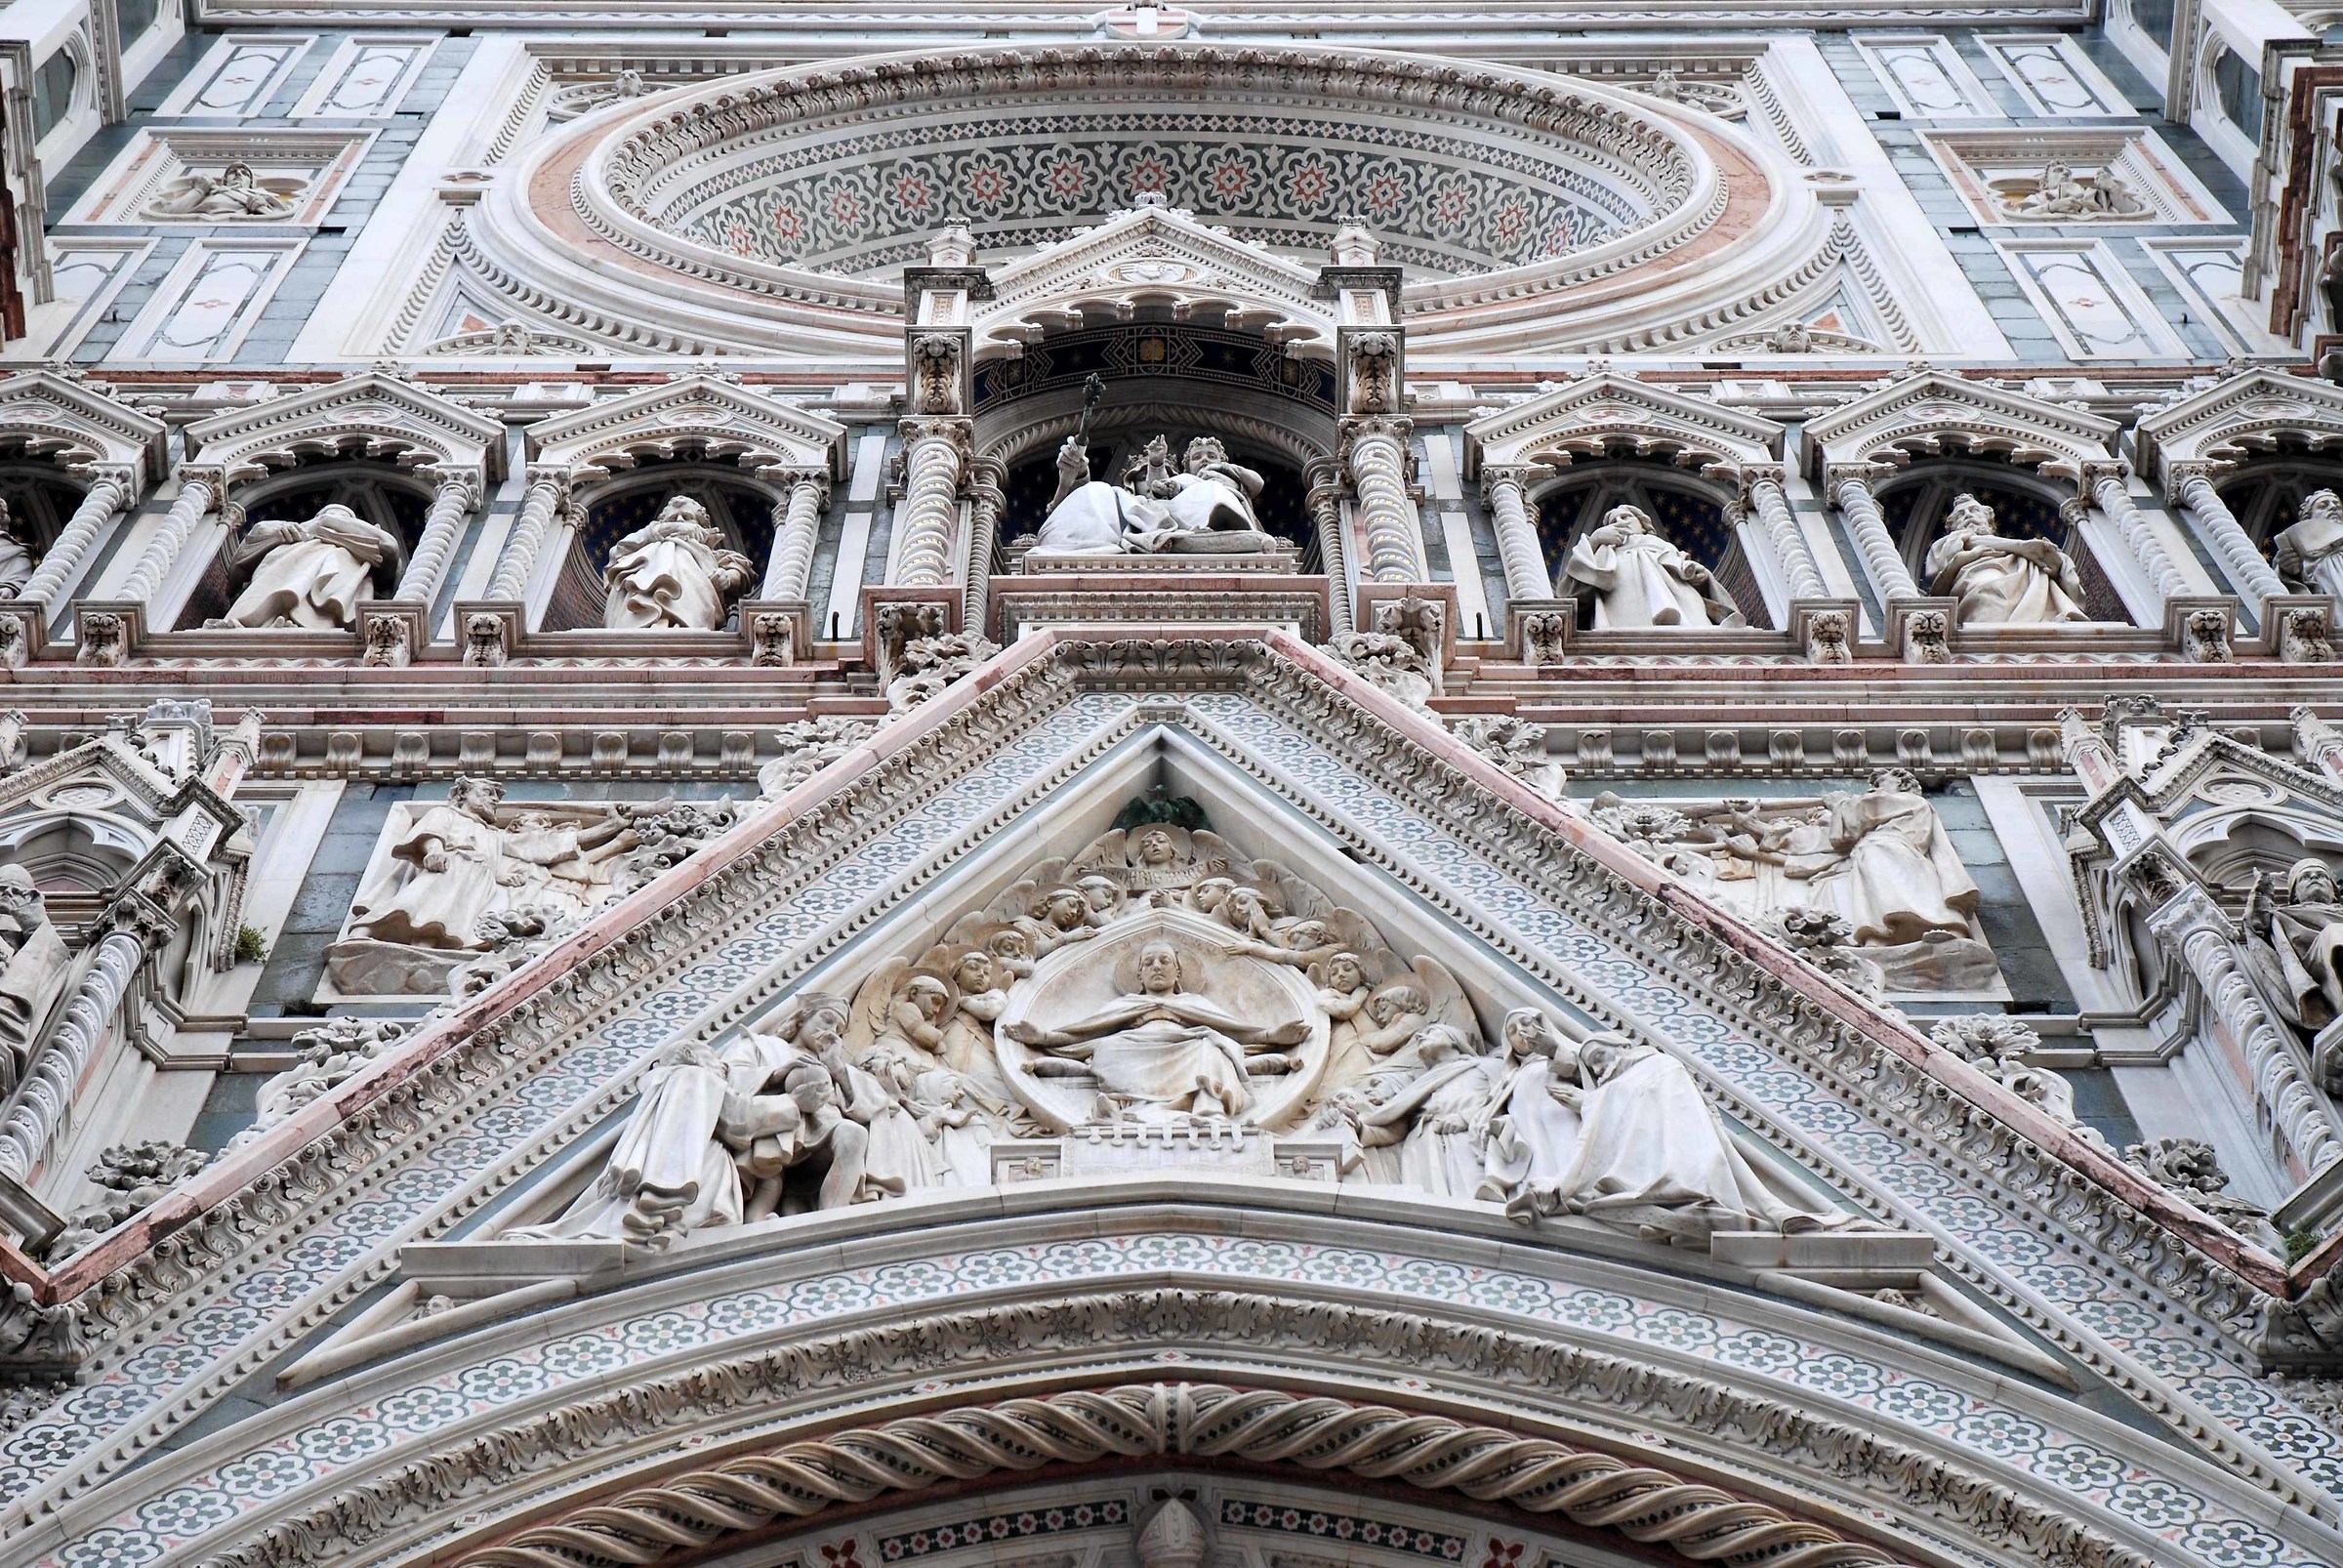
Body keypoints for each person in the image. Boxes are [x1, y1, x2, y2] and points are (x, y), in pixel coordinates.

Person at [1002, 940, 1307, 1120]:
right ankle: (1136, 1104)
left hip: (1188, 1043)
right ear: (1139, 974)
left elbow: (1237, 1033)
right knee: (1107, 1048)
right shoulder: (1127, 1004)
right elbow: (1082, 1035)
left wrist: (1272, 1037)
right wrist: (1041, 1038)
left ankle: (1205, 1108)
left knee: (1210, 1048)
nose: (1157, 966)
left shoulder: (1193, 1001)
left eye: (1165, 961)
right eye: (1149, 962)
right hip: (1133, 1044)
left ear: (1178, 973)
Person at [221, 504, 404, 630]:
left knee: (337, 555)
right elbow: (234, 577)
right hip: (282, 569)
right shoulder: (287, 529)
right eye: (328, 514)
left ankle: (305, 623)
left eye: (345, 520)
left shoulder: (359, 545)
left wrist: (326, 524)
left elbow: (390, 549)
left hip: (332, 588)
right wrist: (280, 536)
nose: (334, 518)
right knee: (301, 552)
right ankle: (258, 619)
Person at [1560, 505, 1742, 628]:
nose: (1620, 522)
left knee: (1694, 623)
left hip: (1674, 589)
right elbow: (1574, 589)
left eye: (1626, 517)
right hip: (1622, 591)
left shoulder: (1661, 544)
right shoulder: (1604, 551)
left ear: (1643, 524)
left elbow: (1685, 566)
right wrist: (1596, 540)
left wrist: (1699, 573)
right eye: (1614, 522)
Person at [1921, 493, 2089, 626]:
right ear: (1953, 526)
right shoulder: (1948, 541)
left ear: (1988, 519)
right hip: (1978, 573)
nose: (1968, 515)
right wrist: (2023, 547)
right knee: (1988, 590)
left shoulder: (2012, 548)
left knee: (2042, 579)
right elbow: (1940, 575)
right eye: (1960, 515)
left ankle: (2047, 622)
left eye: (1973, 511)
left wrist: (2053, 560)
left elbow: (2052, 563)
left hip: (2020, 569)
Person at [602, 496, 756, 630]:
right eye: (673, 518)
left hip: (693, 605)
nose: (680, 521)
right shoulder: (645, 543)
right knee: (667, 547)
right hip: (635, 606)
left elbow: (742, 572)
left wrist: (726, 577)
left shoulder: (713, 555)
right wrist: (666, 531)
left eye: (687, 517)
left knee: (679, 552)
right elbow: (617, 554)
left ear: (701, 525)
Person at [2276, 489, 2343, 601]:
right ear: (2308, 519)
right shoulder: (2301, 554)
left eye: (2337, 505)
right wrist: (2291, 573)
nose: (2333, 507)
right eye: (2323, 506)